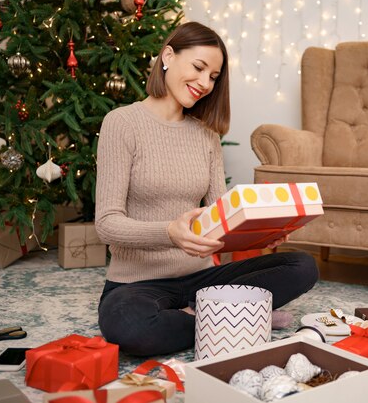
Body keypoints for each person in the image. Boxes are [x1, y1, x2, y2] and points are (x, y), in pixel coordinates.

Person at [94, 21, 319, 357]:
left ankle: (211, 314)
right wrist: (170, 232)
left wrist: (259, 235)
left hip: (202, 279)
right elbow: (107, 224)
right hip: (137, 283)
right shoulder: (122, 123)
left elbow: (220, 217)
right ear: (168, 56)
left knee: (302, 266)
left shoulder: (206, 136)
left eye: (213, 77)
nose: (204, 83)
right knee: (131, 328)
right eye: (199, 68)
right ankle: (238, 318)